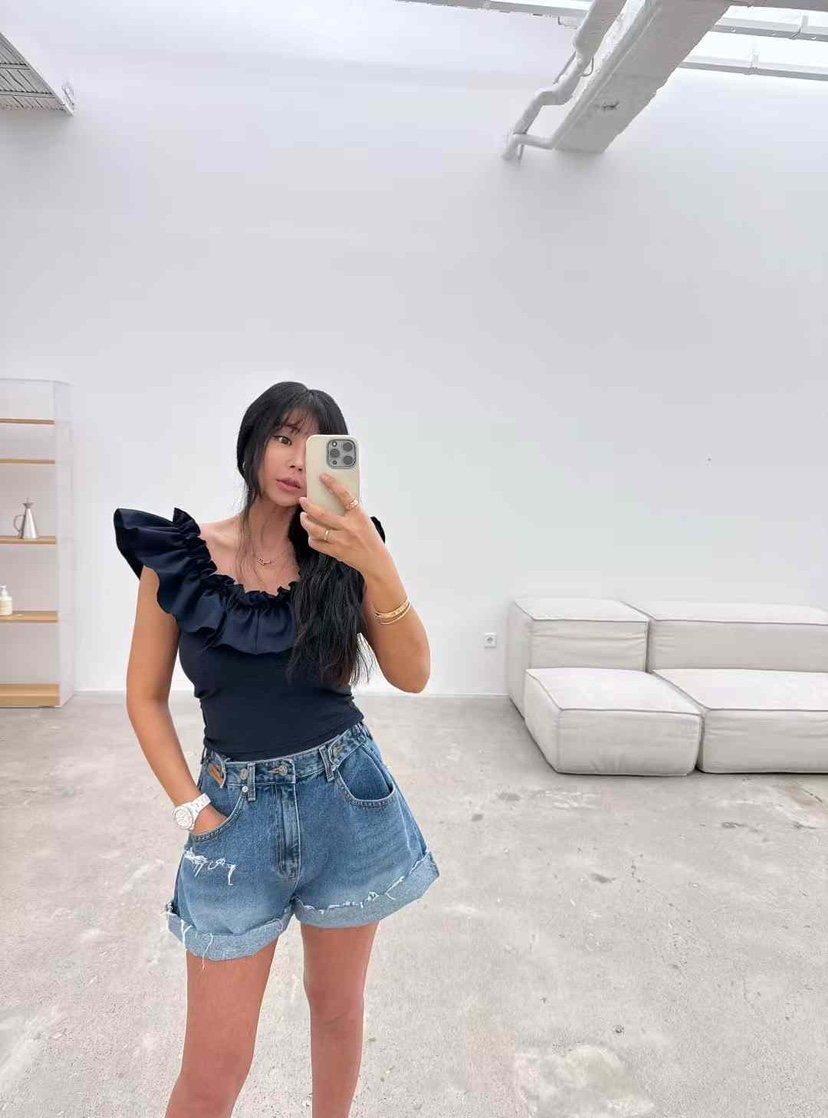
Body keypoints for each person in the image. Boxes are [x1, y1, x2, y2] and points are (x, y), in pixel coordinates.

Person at [113, 380, 440, 1118]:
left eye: (316, 445)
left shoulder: (344, 554)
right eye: (284, 438)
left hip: (346, 801)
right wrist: (192, 809)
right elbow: (144, 697)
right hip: (233, 821)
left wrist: (374, 558)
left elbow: (414, 674)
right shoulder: (180, 558)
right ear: (253, 444)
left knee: (336, 1010)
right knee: (214, 1067)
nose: (297, 459)